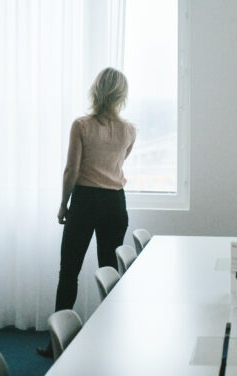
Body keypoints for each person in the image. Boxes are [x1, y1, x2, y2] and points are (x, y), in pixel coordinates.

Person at [37, 67, 136, 358]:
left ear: (96, 91)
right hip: (115, 202)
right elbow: (119, 162)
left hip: (85, 201)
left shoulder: (81, 125)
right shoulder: (129, 131)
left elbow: (72, 170)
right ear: (121, 95)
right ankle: (112, 339)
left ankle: (56, 343)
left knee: (69, 271)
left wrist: (63, 204)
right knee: (110, 272)